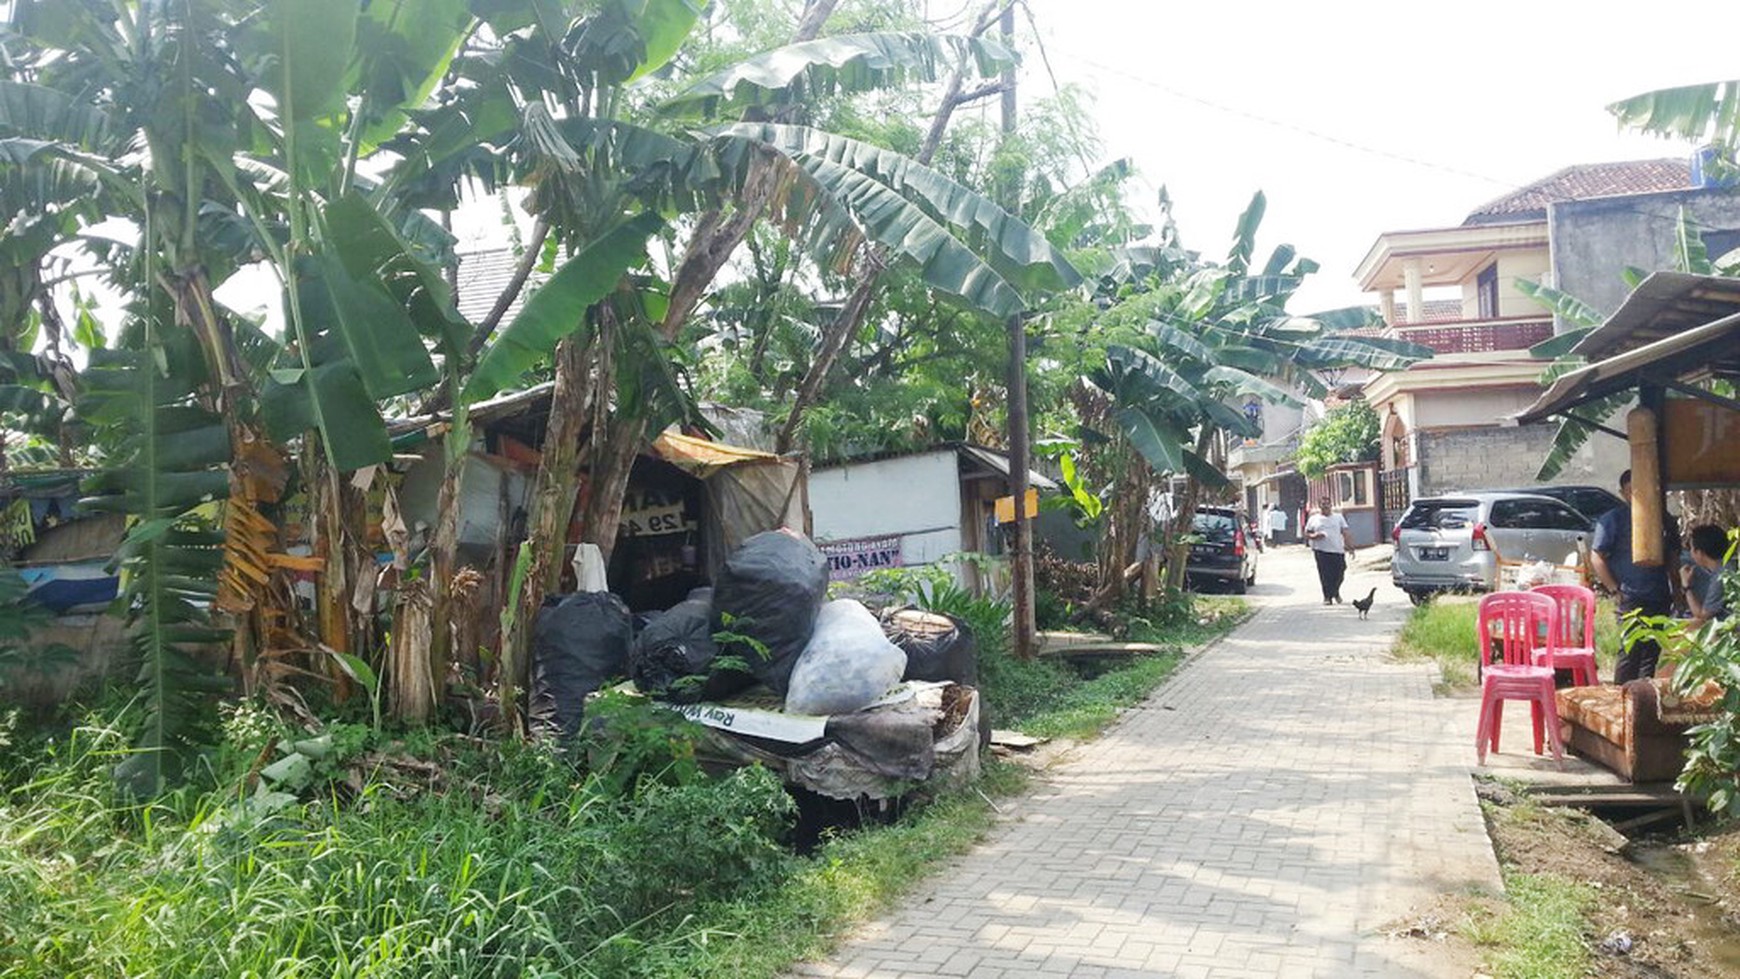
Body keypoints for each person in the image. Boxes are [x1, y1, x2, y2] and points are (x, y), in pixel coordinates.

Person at [1589, 469, 1680, 682]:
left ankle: (1644, 702)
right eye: (1632, 491)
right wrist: (1614, 589)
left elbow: (1673, 558)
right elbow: (1597, 557)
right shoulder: (1613, 519)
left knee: (1652, 652)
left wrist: (1677, 591)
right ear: (1623, 493)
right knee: (1630, 650)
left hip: (1659, 595)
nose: (1638, 495)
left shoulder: (1664, 519)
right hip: (1630, 596)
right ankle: (1620, 702)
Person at [1679, 523, 1734, 630]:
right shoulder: (1730, 566)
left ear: (1699, 552)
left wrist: (1686, 586)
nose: (1690, 553)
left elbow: (1702, 615)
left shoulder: (1722, 576)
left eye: (1691, 548)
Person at [1304, 496, 1357, 605]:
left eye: (1327, 504)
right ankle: (1327, 597)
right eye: (1323, 504)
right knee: (1325, 575)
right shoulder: (1314, 519)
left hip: (1337, 550)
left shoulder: (1338, 518)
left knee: (1340, 572)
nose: (1326, 506)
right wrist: (1314, 536)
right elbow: (1306, 534)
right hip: (1321, 551)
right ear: (1320, 506)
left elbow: (1345, 532)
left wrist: (1350, 547)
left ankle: (1335, 591)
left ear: (1331, 505)